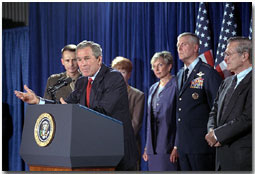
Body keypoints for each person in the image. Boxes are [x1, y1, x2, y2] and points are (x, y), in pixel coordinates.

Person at [14, 40, 138, 171]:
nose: (82, 64)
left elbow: (103, 113)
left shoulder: (113, 78)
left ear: (99, 59)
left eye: (86, 58)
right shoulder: (82, 81)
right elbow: (65, 105)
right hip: (93, 151)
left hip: (117, 151)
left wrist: (73, 110)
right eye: (79, 59)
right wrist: (38, 101)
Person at [175, 32, 222, 171]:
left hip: (201, 145)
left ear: (196, 48)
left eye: (184, 44)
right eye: (178, 45)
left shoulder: (208, 73)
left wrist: (213, 134)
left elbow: (217, 107)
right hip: (184, 145)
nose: (179, 48)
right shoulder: (179, 74)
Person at [206, 37, 252, 171]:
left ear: (244, 56)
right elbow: (214, 110)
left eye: (228, 54)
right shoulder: (226, 82)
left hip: (243, 158)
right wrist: (211, 131)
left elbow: (248, 117)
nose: (225, 59)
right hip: (221, 156)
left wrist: (218, 135)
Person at [142, 51, 178, 171]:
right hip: (153, 147)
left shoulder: (177, 85)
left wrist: (177, 146)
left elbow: (180, 118)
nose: (156, 69)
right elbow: (149, 119)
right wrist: (147, 147)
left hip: (169, 144)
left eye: (160, 65)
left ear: (169, 66)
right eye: (154, 66)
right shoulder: (153, 88)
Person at [111, 56, 144, 170]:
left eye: (123, 72)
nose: (119, 75)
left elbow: (135, 124)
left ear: (129, 75)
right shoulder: (107, 95)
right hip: (110, 147)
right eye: (116, 71)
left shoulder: (138, 95)